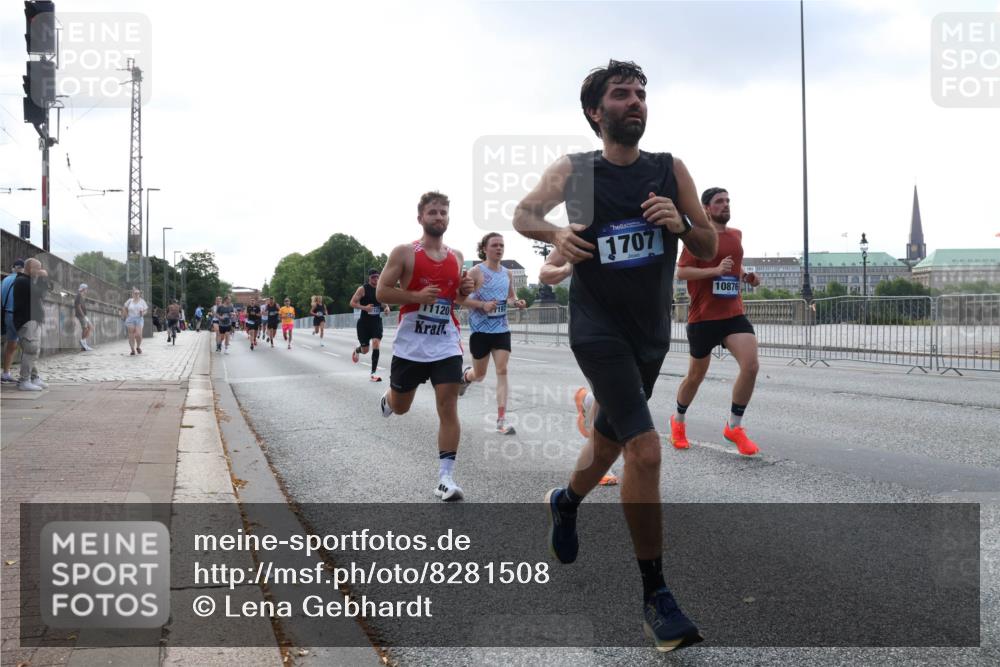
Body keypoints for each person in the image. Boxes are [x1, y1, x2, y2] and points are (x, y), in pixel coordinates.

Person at [512, 60, 717, 651]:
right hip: (596, 329)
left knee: (606, 440)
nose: (636, 103)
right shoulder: (577, 170)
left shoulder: (669, 168)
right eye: (622, 95)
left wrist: (679, 222)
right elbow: (524, 213)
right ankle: (656, 597)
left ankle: (566, 501)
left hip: (650, 334)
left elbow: (706, 241)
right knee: (644, 450)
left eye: (641, 94)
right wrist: (554, 236)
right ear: (596, 113)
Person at [376, 191, 474, 501]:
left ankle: (445, 478)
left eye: (443, 212)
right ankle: (391, 398)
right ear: (421, 217)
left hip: (445, 341)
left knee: (448, 404)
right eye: (433, 212)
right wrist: (417, 297)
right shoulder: (405, 252)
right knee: (402, 407)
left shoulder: (457, 256)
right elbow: (382, 292)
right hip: (411, 345)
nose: (439, 217)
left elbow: (455, 298)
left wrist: (465, 289)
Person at [670, 187, 761, 456]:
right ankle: (678, 421)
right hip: (703, 317)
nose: (725, 205)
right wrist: (715, 271)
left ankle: (734, 426)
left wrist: (746, 277)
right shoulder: (696, 238)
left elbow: (733, 266)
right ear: (706, 208)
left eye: (728, 200)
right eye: (719, 201)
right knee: (696, 376)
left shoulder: (736, 235)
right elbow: (682, 272)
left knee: (751, 365)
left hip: (733, 314)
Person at [539, 249, 619, 486]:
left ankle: (587, 401)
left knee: (628, 392)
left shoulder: (645, 217)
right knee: (611, 394)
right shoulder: (581, 229)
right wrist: (566, 269)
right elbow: (545, 271)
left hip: (634, 323)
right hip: (594, 324)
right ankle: (600, 463)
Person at [458, 232, 527, 435]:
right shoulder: (476, 272)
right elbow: (459, 300)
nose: (499, 248)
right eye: (495, 245)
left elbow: (511, 296)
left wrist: (518, 302)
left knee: (502, 370)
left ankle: (501, 420)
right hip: (480, 331)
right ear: (485, 248)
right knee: (479, 375)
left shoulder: (507, 273)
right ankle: (466, 377)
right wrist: (482, 305)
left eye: (501, 245)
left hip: (501, 329)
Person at [11, 258, 50, 391]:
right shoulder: (22, 281)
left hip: (33, 320)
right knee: (30, 349)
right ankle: (24, 380)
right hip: (27, 320)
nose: (40, 271)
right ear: (29, 268)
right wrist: (42, 278)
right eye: (37, 268)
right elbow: (41, 293)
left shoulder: (27, 281)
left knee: (33, 351)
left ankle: (34, 377)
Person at [349, 269, 390, 381]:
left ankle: (373, 373)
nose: (376, 279)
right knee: (365, 350)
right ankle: (357, 350)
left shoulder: (380, 289)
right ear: (369, 278)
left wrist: (386, 308)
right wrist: (365, 308)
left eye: (377, 277)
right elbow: (352, 303)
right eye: (373, 277)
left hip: (376, 322)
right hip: (364, 323)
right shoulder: (362, 289)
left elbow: (384, 304)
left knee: (376, 343)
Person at [1, 258, 25, 384]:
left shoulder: (5, 280)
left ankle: (6, 373)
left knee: (11, 344)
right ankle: (26, 377)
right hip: (19, 316)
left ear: (13, 267)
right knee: (27, 346)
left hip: (7, 315)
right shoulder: (22, 280)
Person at [122, 288, 148, 355]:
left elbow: (146, 310)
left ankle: (138, 347)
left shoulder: (142, 301)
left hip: (139, 319)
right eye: (135, 293)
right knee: (131, 335)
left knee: (138, 334)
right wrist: (126, 315)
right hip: (130, 319)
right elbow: (124, 307)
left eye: (138, 293)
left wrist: (143, 313)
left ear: (139, 294)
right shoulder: (130, 301)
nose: (137, 294)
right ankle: (132, 350)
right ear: (132, 294)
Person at [75, 283, 94, 351]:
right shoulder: (79, 296)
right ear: (83, 289)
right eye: (86, 289)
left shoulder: (81, 296)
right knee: (86, 328)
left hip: (83, 315)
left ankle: (84, 344)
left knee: (89, 327)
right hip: (81, 315)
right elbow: (78, 306)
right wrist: (83, 316)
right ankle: (83, 342)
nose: (87, 290)